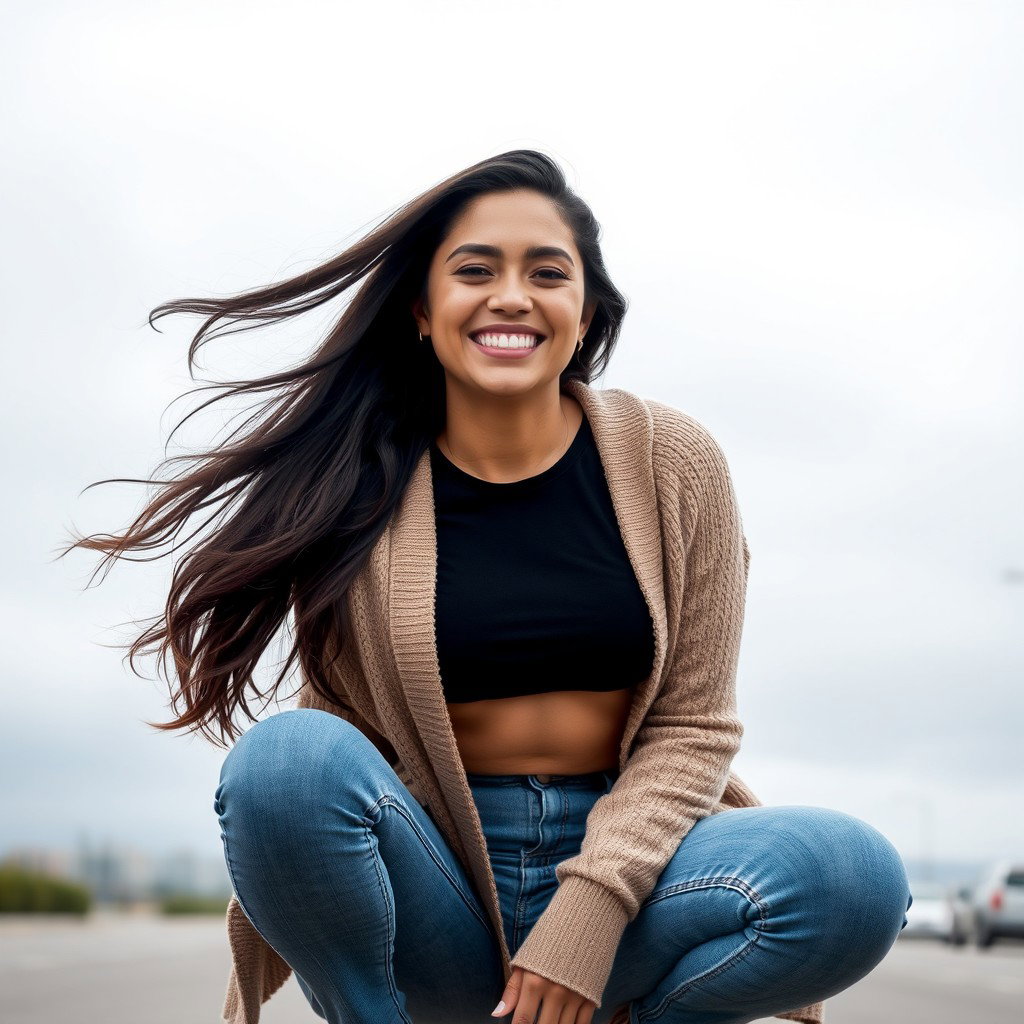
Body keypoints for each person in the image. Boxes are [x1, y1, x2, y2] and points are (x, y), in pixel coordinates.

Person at [64, 150, 912, 1024]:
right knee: (282, 763)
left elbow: (695, 723)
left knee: (852, 876)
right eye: (476, 270)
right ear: (424, 313)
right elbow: (338, 741)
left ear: (585, 313)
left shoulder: (673, 461)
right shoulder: (355, 486)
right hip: (436, 882)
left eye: (547, 272)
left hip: (638, 871)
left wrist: (586, 918)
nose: (512, 294)